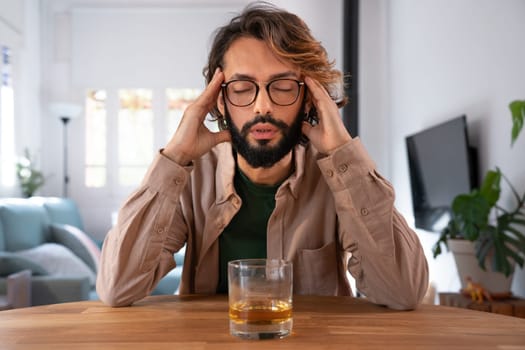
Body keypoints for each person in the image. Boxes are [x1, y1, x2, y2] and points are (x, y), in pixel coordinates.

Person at [96, 2, 429, 310]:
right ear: (220, 101)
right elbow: (117, 288)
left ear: (309, 99)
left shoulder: (338, 179)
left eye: (283, 86)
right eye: (242, 89)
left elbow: (404, 292)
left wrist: (344, 153)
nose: (262, 106)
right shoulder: (191, 175)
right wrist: (175, 155)